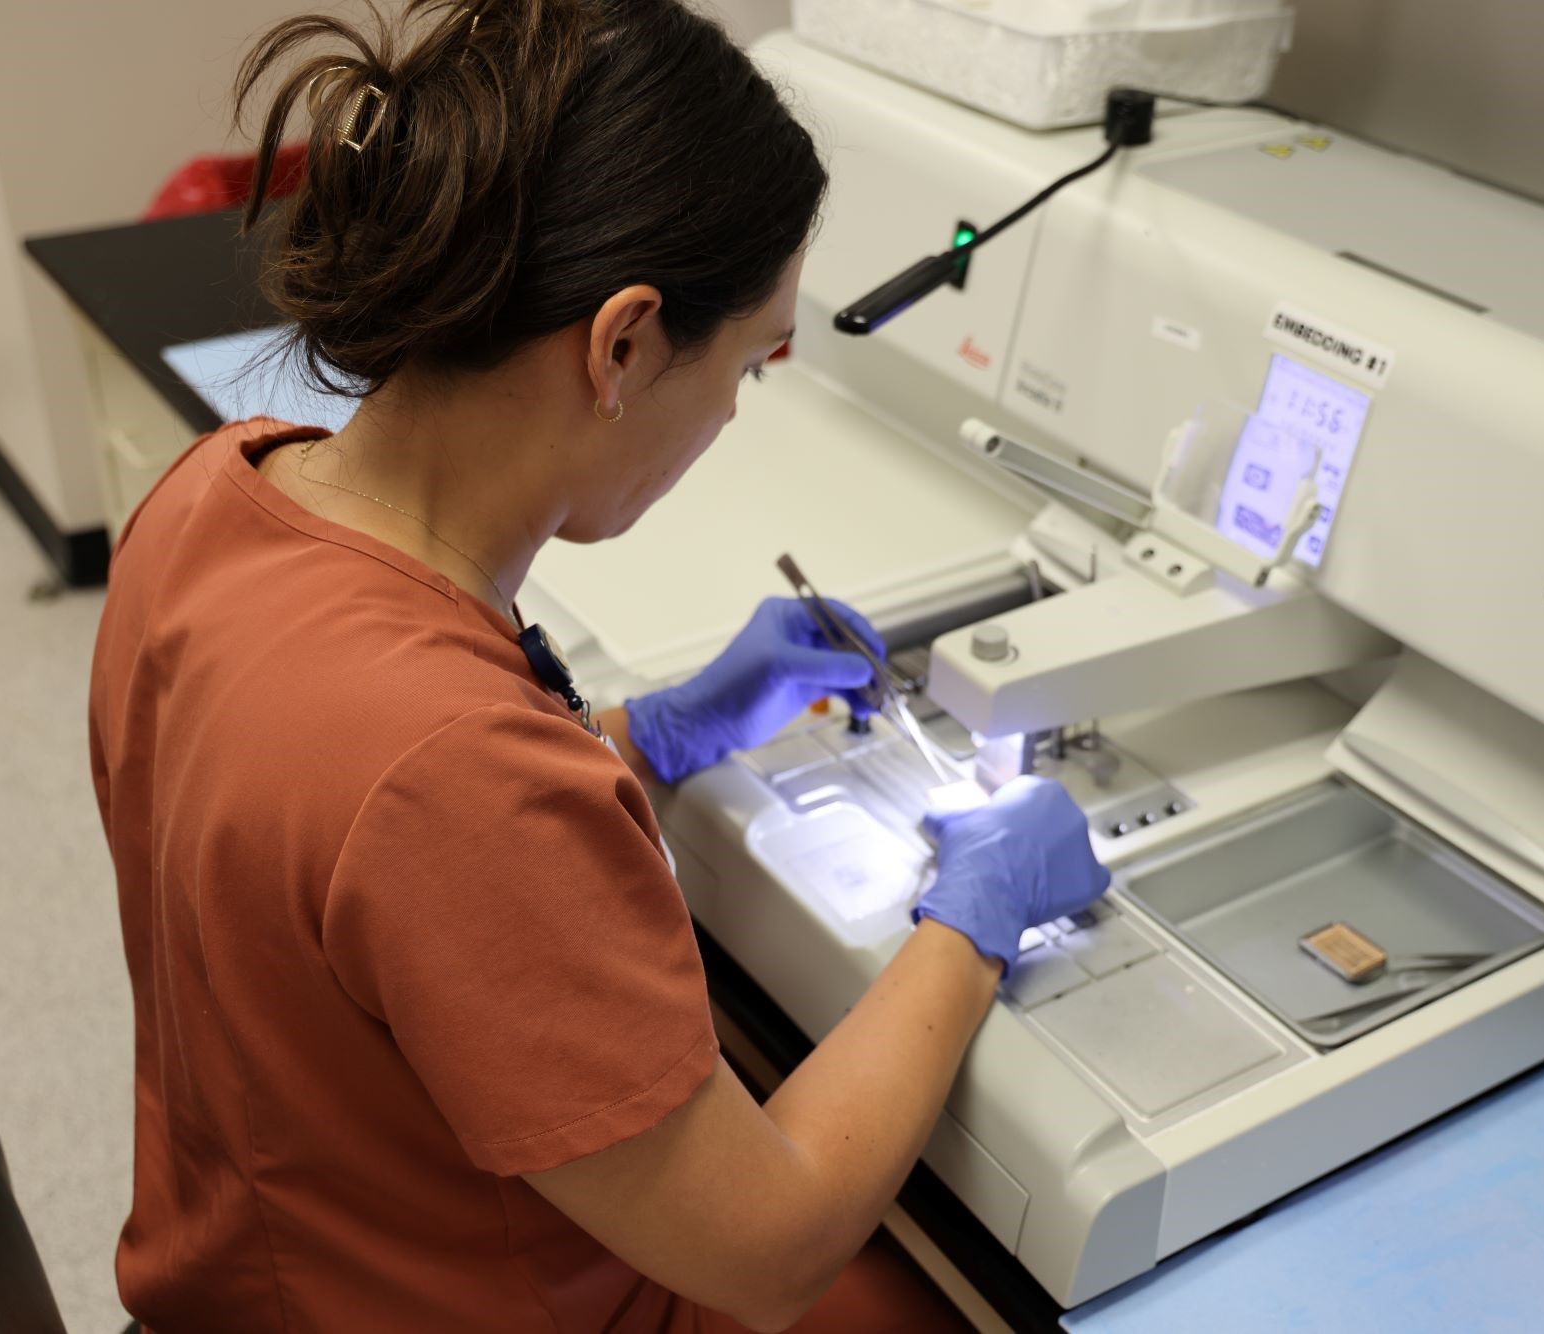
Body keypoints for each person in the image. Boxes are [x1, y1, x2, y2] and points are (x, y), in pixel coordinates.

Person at [88, 2, 1110, 1329]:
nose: (738, 410)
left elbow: (342, 870)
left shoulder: (215, 492)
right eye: (751, 358)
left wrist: (642, 735)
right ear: (624, 343)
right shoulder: (451, 773)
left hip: (257, 1260)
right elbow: (773, 1235)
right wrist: (975, 921)